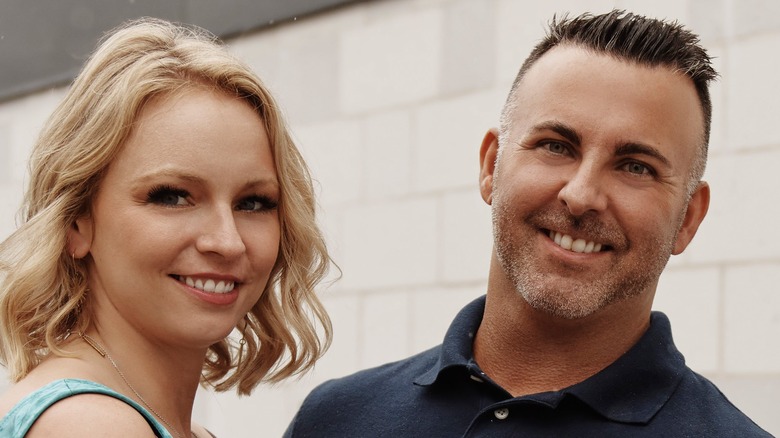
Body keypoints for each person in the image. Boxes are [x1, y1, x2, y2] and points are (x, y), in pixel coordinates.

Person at [284, 10, 771, 437]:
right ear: (490, 165)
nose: (580, 195)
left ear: (688, 218)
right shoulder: (335, 420)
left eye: (635, 166)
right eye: (557, 146)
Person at [0, 17, 332, 438]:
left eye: (254, 203)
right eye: (172, 196)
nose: (227, 242)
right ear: (76, 222)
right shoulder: (89, 425)